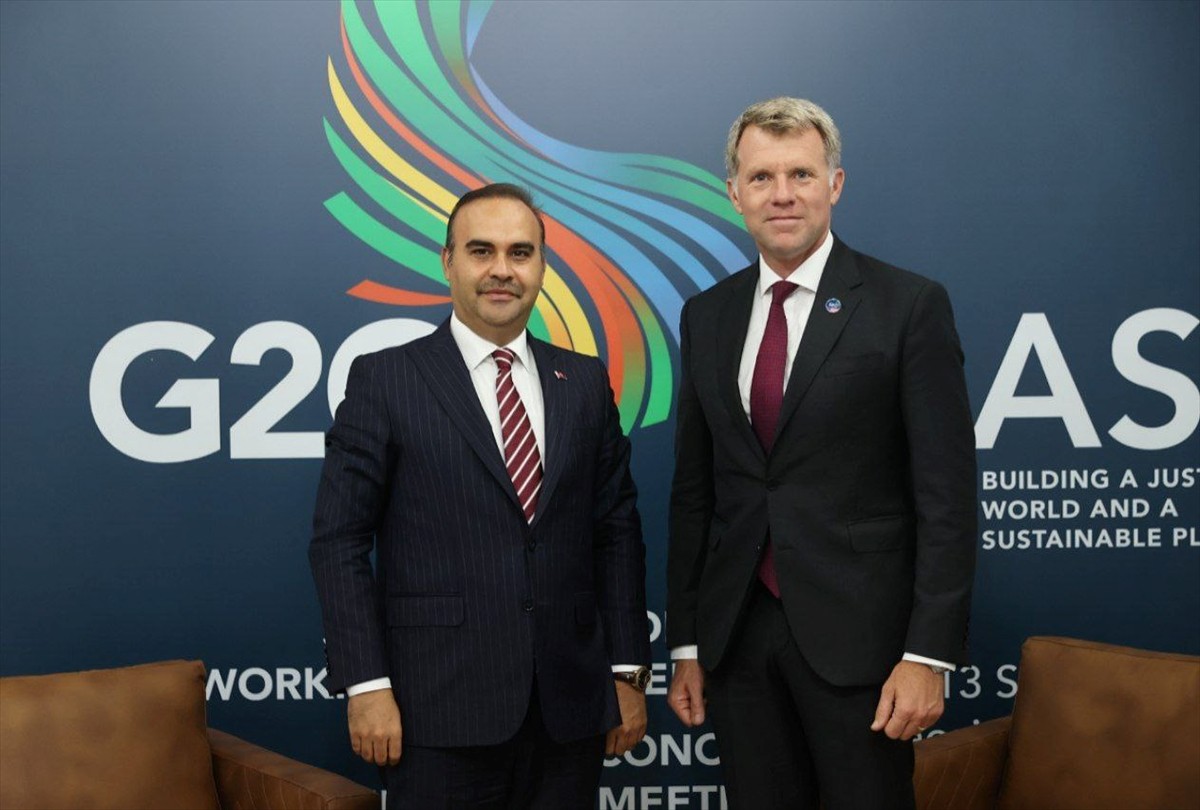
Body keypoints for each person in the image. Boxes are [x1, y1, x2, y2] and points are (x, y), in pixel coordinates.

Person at [666, 97, 977, 809]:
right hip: (738, 643)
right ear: (734, 192)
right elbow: (695, 491)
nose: (782, 195)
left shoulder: (907, 305)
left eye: (801, 174)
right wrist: (685, 643)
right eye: (762, 177)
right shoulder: (707, 314)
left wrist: (926, 656)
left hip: (864, 650)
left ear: (835, 185)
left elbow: (947, 499)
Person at [310, 183, 652, 809]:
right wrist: (366, 683)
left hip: (568, 711)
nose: (501, 270)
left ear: (542, 267)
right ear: (448, 263)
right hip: (433, 712)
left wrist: (626, 672)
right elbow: (339, 542)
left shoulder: (582, 382)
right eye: (481, 251)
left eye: (521, 253)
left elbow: (616, 531)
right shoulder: (386, 379)